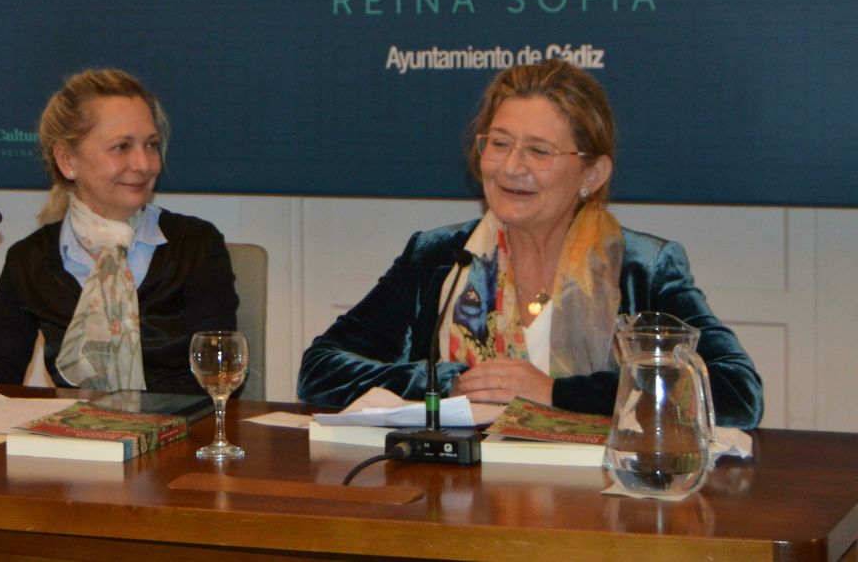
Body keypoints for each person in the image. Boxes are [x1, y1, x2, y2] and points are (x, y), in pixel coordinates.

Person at [296, 60, 763, 428]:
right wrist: (448, 384)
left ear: (592, 174)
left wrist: (555, 394)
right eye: (499, 144)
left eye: (539, 151)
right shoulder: (440, 257)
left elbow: (736, 393)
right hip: (451, 496)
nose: (511, 167)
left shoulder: (641, 268)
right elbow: (319, 370)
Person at [0, 69, 238, 394]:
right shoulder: (30, 260)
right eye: (121, 147)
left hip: (179, 437)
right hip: (73, 440)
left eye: (151, 145)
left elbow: (220, 379)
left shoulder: (195, 244)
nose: (144, 163)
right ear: (68, 160)